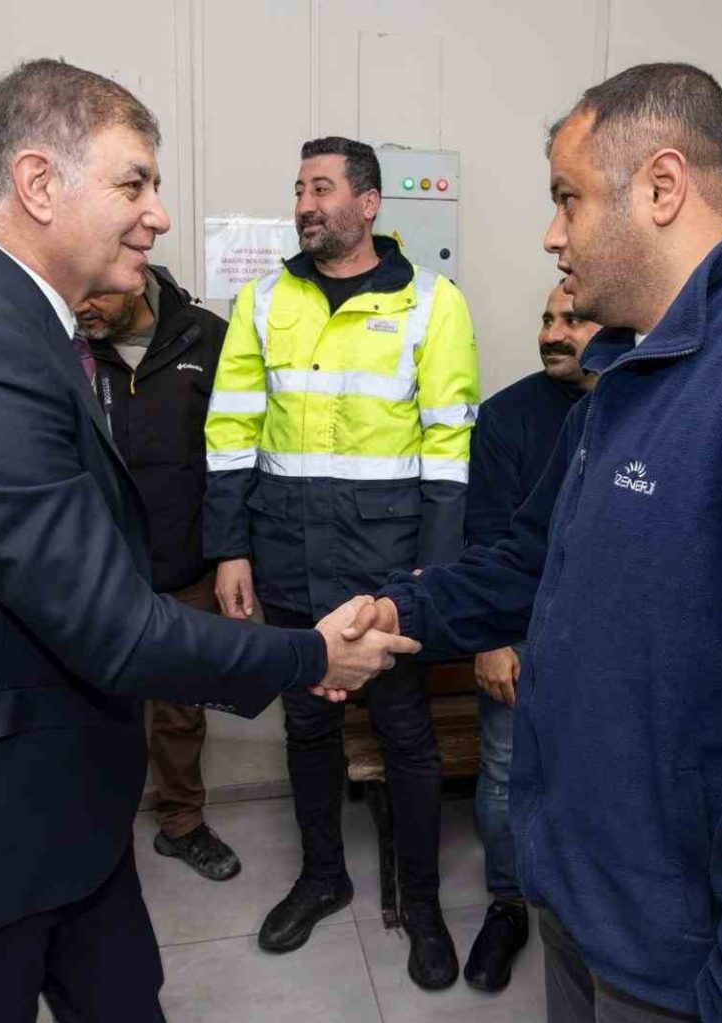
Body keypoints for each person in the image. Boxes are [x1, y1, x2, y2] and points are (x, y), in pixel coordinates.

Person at [0, 60, 413, 1023]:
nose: (158, 214)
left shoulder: (4, 318)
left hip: (48, 793)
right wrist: (312, 653)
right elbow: (111, 626)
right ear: (40, 183)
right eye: (134, 183)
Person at [339, 63, 722, 1022]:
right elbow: (536, 560)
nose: (552, 234)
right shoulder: (637, 371)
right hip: (591, 898)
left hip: (698, 957)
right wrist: (402, 607)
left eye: (568, 198)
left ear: (663, 187)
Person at [204, 136, 480, 989]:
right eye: (299, 188)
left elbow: (449, 446)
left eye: (322, 187)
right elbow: (231, 428)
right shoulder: (263, 299)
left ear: (368, 203)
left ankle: (422, 902)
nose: (305, 204)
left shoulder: (433, 302)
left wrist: (433, 573)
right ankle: (324, 876)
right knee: (309, 726)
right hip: (287, 555)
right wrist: (229, 545)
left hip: (387, 570)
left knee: (405, 734)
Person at [461, 282, 621, 994]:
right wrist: (491, 639)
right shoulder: (506, 416)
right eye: (547, 318)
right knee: (504, 773)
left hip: (611, 644)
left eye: (573, 320)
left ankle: (589, 907)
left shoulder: (645, 408)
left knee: (600, 775)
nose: (553, 333)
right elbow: (488, 536)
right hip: (522, 636)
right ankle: (507, 904)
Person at [76, 263, 242, 881]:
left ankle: (182, 824)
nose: (82, 306)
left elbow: (234, 452)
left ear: (132, 277)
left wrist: (231, 551)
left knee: (180, 710)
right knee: (91, 705)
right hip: (97, 570)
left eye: (94, 292)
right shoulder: (66, 347)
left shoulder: (206, 337)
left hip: (185, 562)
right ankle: (92, 833)